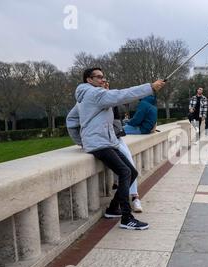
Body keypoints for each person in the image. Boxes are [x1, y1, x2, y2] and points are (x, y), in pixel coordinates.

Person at [66, 67, 165, 230]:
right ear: (88, 80)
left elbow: (71, 121)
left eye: (103, 77)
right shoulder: (95, 94)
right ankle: (126, 218)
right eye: (98, 77)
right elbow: (122, 95)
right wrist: (150, 88)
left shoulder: (85, 97)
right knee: (125, 172)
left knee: (131, 172)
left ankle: (113, 209)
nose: (102, 80)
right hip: (99, 143)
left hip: (105, 142)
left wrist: (83, 142)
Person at [102, 81, 143, 213]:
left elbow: (115, 120)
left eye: (106, 81)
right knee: (127, 170)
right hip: (106, 140)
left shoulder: (109, 99)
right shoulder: (91, 100)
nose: (105, 83)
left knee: (130, 167)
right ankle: (129, 202)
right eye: (100, 79)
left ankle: (132, 197)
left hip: (116, 137)